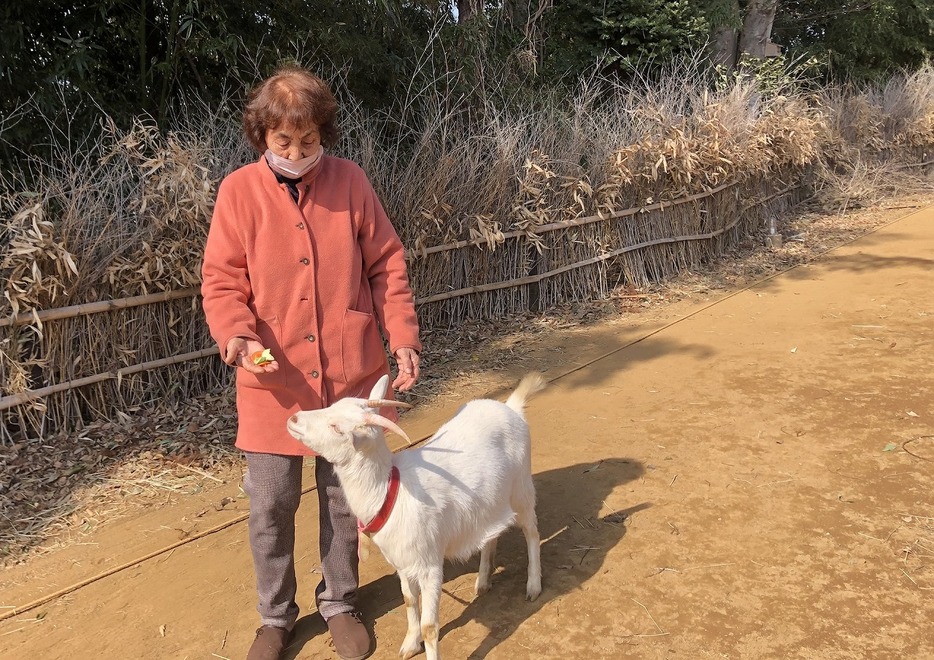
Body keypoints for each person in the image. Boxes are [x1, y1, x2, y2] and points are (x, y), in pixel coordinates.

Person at [201, 65, 421, 660]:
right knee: (270, 502)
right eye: (283, 143)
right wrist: (239, 338)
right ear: (261, 138)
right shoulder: (237, 193)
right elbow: (221, 281)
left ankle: (340, 602)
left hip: (350, 380)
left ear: (325, 133)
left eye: (309, 142)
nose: (297, 154)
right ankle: (275, 616)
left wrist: (401, 336)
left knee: (342, 497)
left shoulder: (351, 182)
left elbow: (387, 265)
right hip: (274, 384)